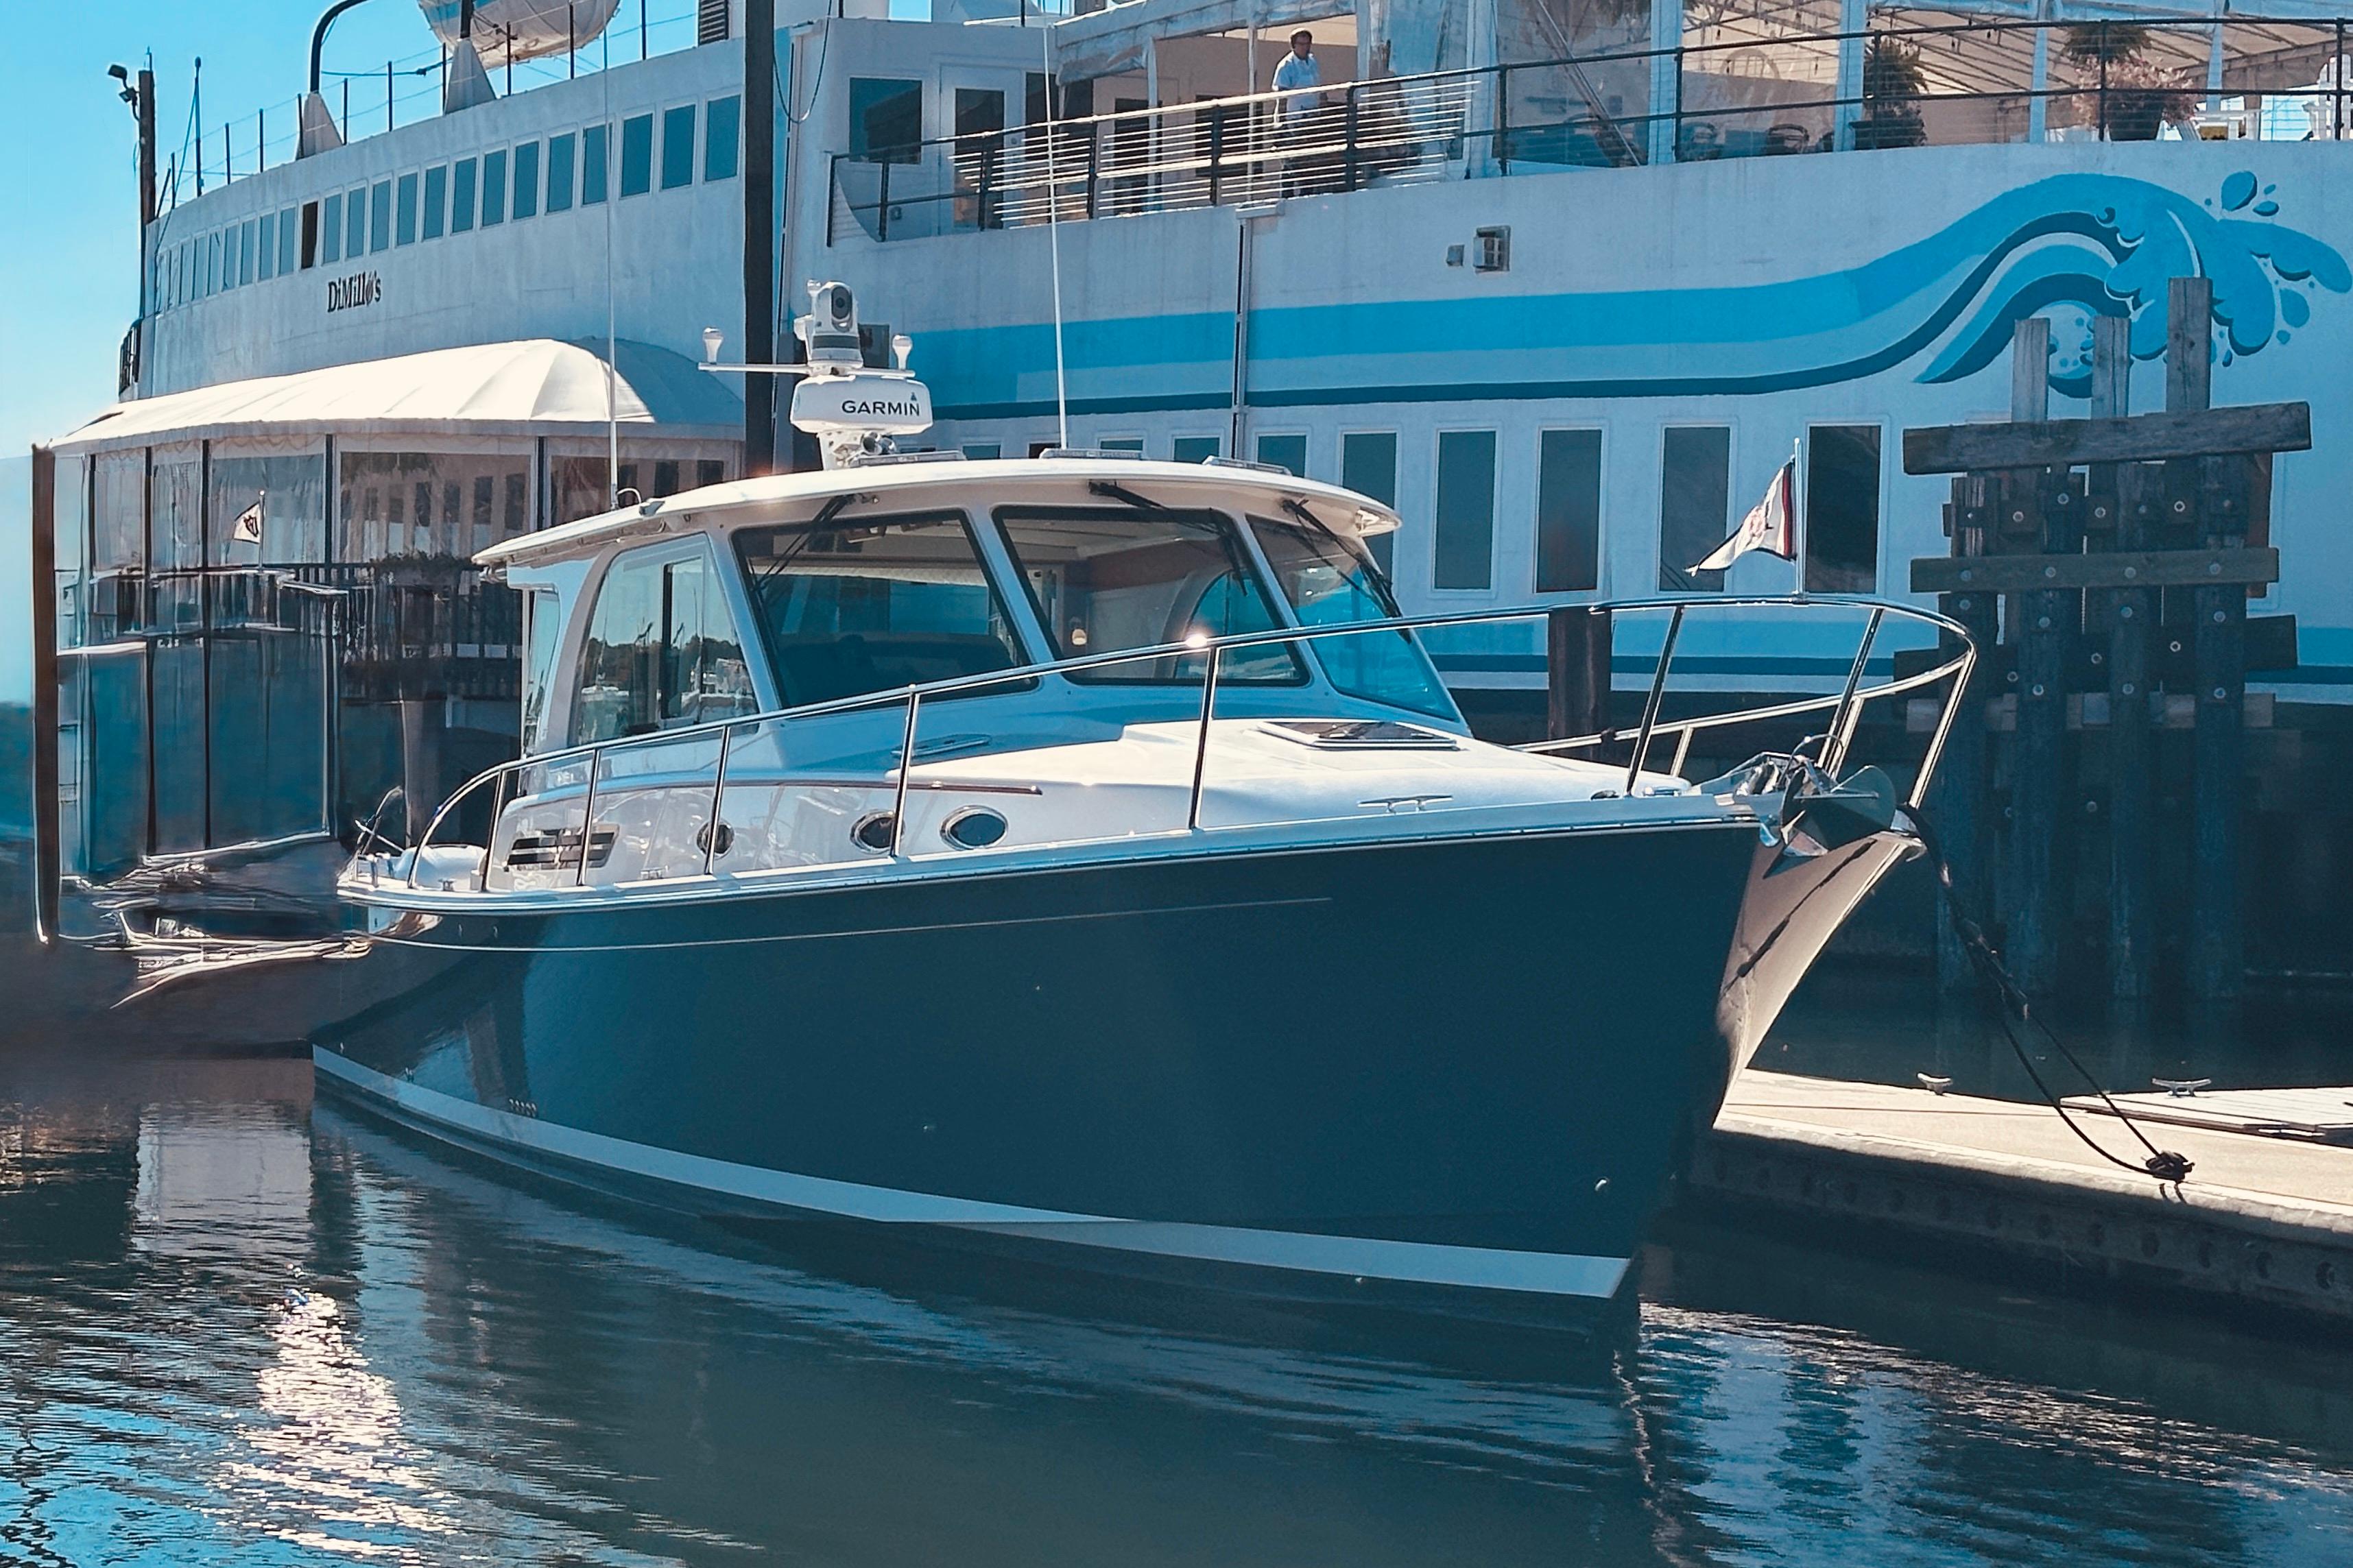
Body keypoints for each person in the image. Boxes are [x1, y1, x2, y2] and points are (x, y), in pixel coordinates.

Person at [1271, 32, 1323, 122]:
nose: (1305, 47)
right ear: (1293, 45)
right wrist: (1282, 123)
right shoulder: (1286, 66)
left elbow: (1318, 86)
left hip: (1313, 116)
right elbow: (1282, 97)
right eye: (1301, 44)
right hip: (1294, 118)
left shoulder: (1312, 62)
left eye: (1307, 44)